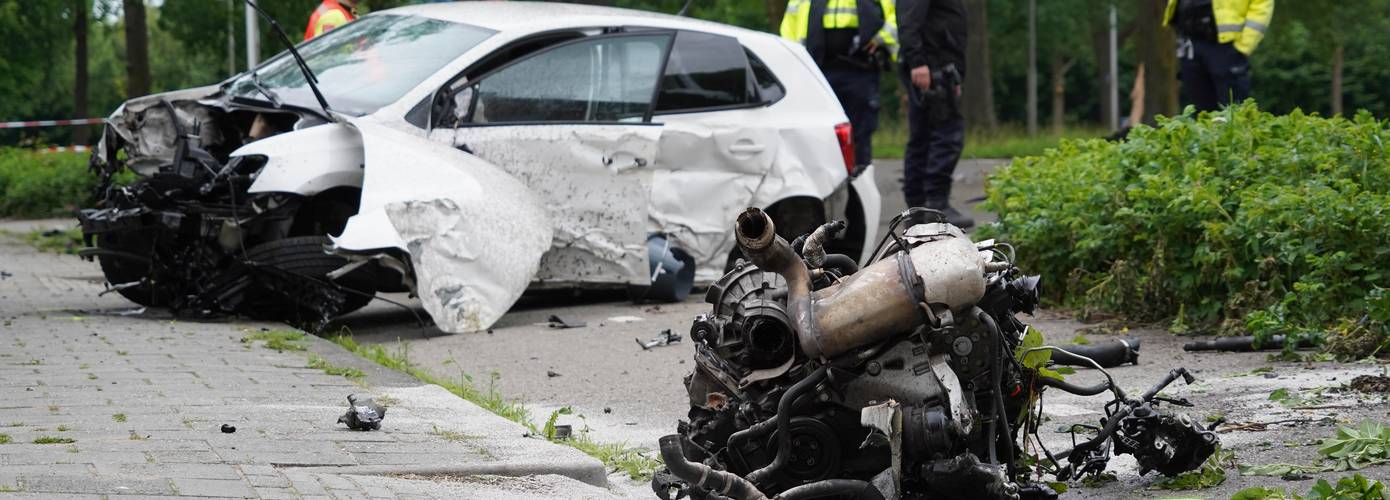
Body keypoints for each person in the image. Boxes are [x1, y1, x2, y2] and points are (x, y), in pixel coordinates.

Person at [781, 0, 898, 171]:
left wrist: (881, 39)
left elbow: (897, 17)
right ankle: (825, 185)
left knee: (860, 134)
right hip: (818, 72)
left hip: (860, 70)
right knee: (820, 133)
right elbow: (789, 28)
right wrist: (796, 63)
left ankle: (859, 186)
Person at [895, 0, 972, 228]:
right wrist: (918, 63)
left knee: (925, 137)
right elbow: (909, 21)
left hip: (940, 67)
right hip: (932, 65)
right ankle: (935, 205)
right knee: (946, 136)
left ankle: (919, 210)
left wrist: (955, 73)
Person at [1164, 0, 1274, 112]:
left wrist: (1243, 46)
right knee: (1202, 113)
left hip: (1226, 47)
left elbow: (1262, 4)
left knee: (1233, 111)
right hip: (1190, 44)